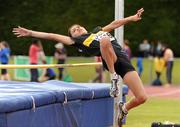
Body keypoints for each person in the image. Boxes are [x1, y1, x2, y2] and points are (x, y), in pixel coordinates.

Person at [12, 8, 147, 126]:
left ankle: (124, 108)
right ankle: (113, 78)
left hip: (123, 61)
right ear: (73, 37)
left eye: (78, 26)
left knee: (142, 97)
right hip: (112, 61)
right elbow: (52, 36)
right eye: (74, 30)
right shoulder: (77, 41)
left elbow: (114, 24)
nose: (77, 28)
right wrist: (30, 33)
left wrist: (132, 18)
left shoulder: (97, 32)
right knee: (105, 41)